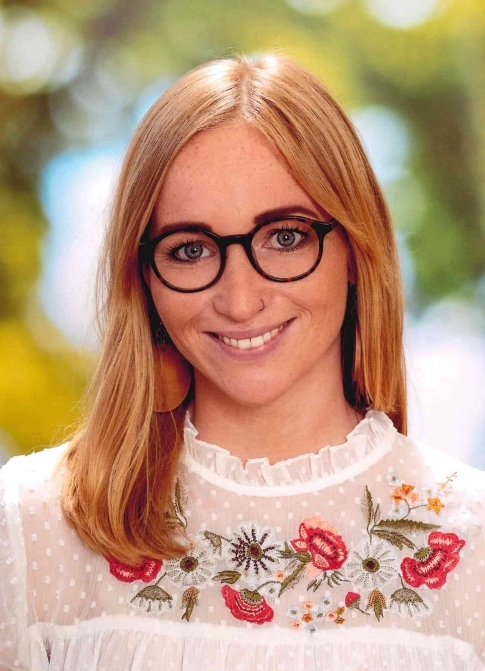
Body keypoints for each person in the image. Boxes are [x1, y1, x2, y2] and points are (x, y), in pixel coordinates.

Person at [1, 53, 484, 671]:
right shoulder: (33, 526)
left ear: (356, 248)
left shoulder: (475, 543)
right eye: (190, 249)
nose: (239, 299)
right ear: (143, 276)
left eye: (284, 237)